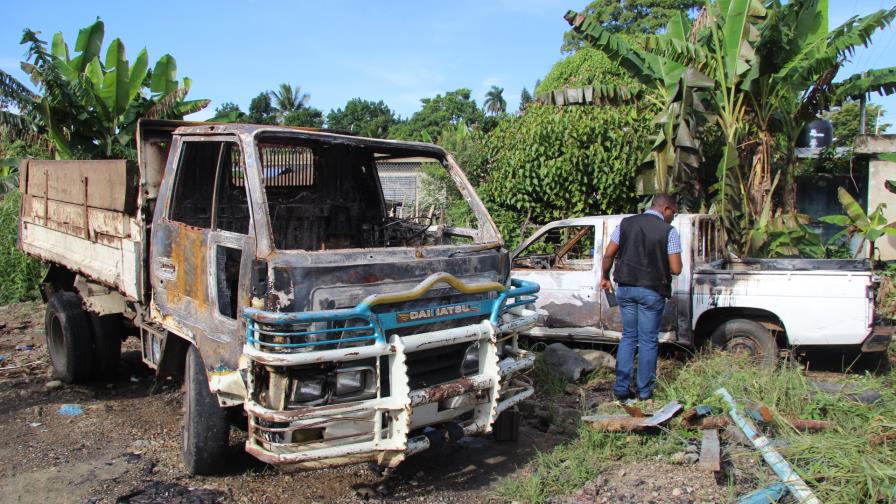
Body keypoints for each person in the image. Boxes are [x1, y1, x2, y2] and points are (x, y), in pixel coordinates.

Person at [599, 194, 682, 401]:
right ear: (666, 208)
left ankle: (621, 389)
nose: (673, 217)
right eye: (674, 212)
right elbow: (676, 268)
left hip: (626, 288)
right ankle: (644, 392)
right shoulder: (669, 231)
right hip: (652, 291)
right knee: (648, 341)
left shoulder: (625, 224)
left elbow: (608, 254)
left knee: (628, 337)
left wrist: (605, 277)